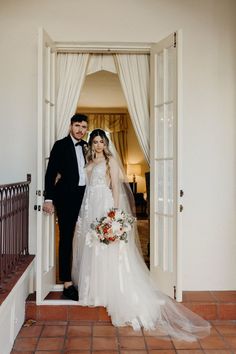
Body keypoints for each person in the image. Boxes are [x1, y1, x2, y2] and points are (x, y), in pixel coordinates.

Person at [72, 129, 211, 342]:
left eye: (101, 141)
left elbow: (116, 190)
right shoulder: (88, 160)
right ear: (91, 143)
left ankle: (111, 291)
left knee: (108, 248)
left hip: (104, 206)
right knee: (93, 247)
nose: (99, 145)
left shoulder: (110, 162)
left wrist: (115, 215)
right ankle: (94, 291)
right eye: (95, 141)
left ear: (106, 143)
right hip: (89, 206)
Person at [43, 113, 88, 301]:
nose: (80, 130)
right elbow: (50, 173)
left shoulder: (88, 147)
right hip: (66, 199)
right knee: (66, 238)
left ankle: (86, 278)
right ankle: (67, 282)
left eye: (84, 127)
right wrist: (48, 199)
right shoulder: (60, 145)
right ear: (71, 126)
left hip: (86, 198)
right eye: (77, 126)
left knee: (88, 237)